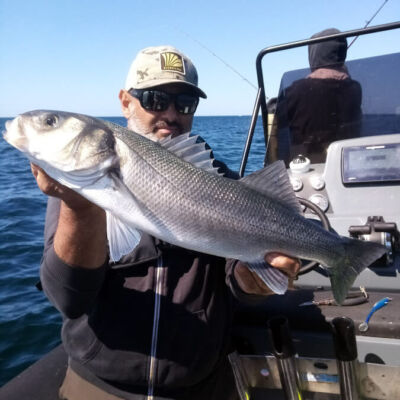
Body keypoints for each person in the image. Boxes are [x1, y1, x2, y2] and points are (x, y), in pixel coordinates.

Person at [31, 45, 300, 400]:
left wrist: (258, 280)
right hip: (100, 385)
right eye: (155, 99)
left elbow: (239, 281)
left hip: (199, 386)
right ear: (125, 102)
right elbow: (68, 296)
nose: (171, 114)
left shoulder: (224, 183)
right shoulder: (80, 185)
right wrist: (79, 208)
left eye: (185, 103)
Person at [275, 28, 362, 164]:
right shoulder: (355, 88)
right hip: (346, 164)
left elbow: (275, 124)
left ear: (313, 54)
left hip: (305, 167)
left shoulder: (295, 90)